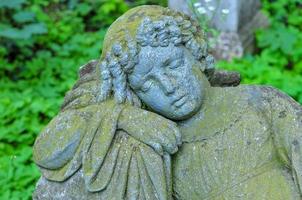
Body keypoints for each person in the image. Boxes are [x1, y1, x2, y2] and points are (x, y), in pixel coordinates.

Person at [33, 5, 302, 200]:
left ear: (195, 53)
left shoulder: (262, 105)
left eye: (172, 65)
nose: (169, 87)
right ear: (134, 92)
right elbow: (48, 151)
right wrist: (124, 116)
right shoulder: (150, 140)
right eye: (148, 84)